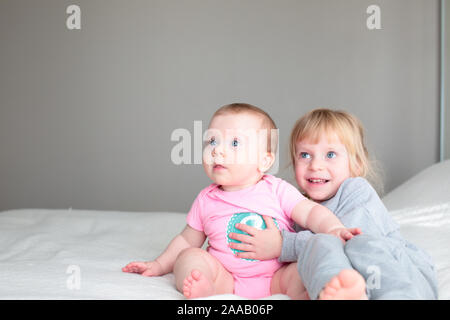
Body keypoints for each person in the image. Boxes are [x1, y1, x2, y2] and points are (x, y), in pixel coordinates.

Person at [122, 103, 361, 299]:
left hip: (277, 277)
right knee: (189, 258)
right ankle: (205, 288)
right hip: (226, 277)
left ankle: (326, 293)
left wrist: (333, 228)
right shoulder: (206, 199)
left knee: (304, 268)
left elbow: (310, 213)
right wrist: (158, 265)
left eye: (234, 143)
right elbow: (186, 240)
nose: (218, 151)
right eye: (212, 142)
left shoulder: (276, 189)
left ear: (265, 160)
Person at [228, 108, 439, 299]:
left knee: (358, 243)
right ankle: (336, 293)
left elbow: (348, 238)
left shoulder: (356, 190)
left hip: (401, 274)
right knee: (319, 246)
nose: (315, 165)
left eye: (330, 154)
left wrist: (283, 245)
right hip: (355, 283)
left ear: (355, 163)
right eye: (305, 155)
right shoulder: (299, 208)